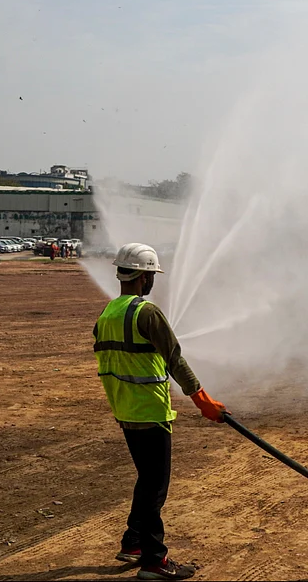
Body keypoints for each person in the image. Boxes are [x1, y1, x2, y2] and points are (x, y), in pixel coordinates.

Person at [95, 243, 227, 580]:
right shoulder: (147, 313)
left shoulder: (107, 314)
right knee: (155, 487)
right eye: (152, 275)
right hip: (150, 410)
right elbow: (174, 359)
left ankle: (133, 542)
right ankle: (155, 560)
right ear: (144, 277)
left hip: (125, 409)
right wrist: (202, 400)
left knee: (147, 480)